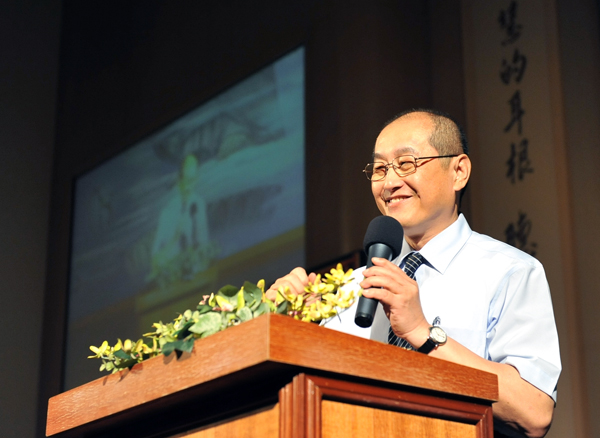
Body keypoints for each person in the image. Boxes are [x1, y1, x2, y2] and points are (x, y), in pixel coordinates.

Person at [267, 109, 560, 438]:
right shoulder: (351, 287)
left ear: (458, 171)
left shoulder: (508, 270)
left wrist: (423, 333)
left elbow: (533, 412)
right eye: (379, 169)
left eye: (406, 163)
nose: (390, 182)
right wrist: (285, 326)